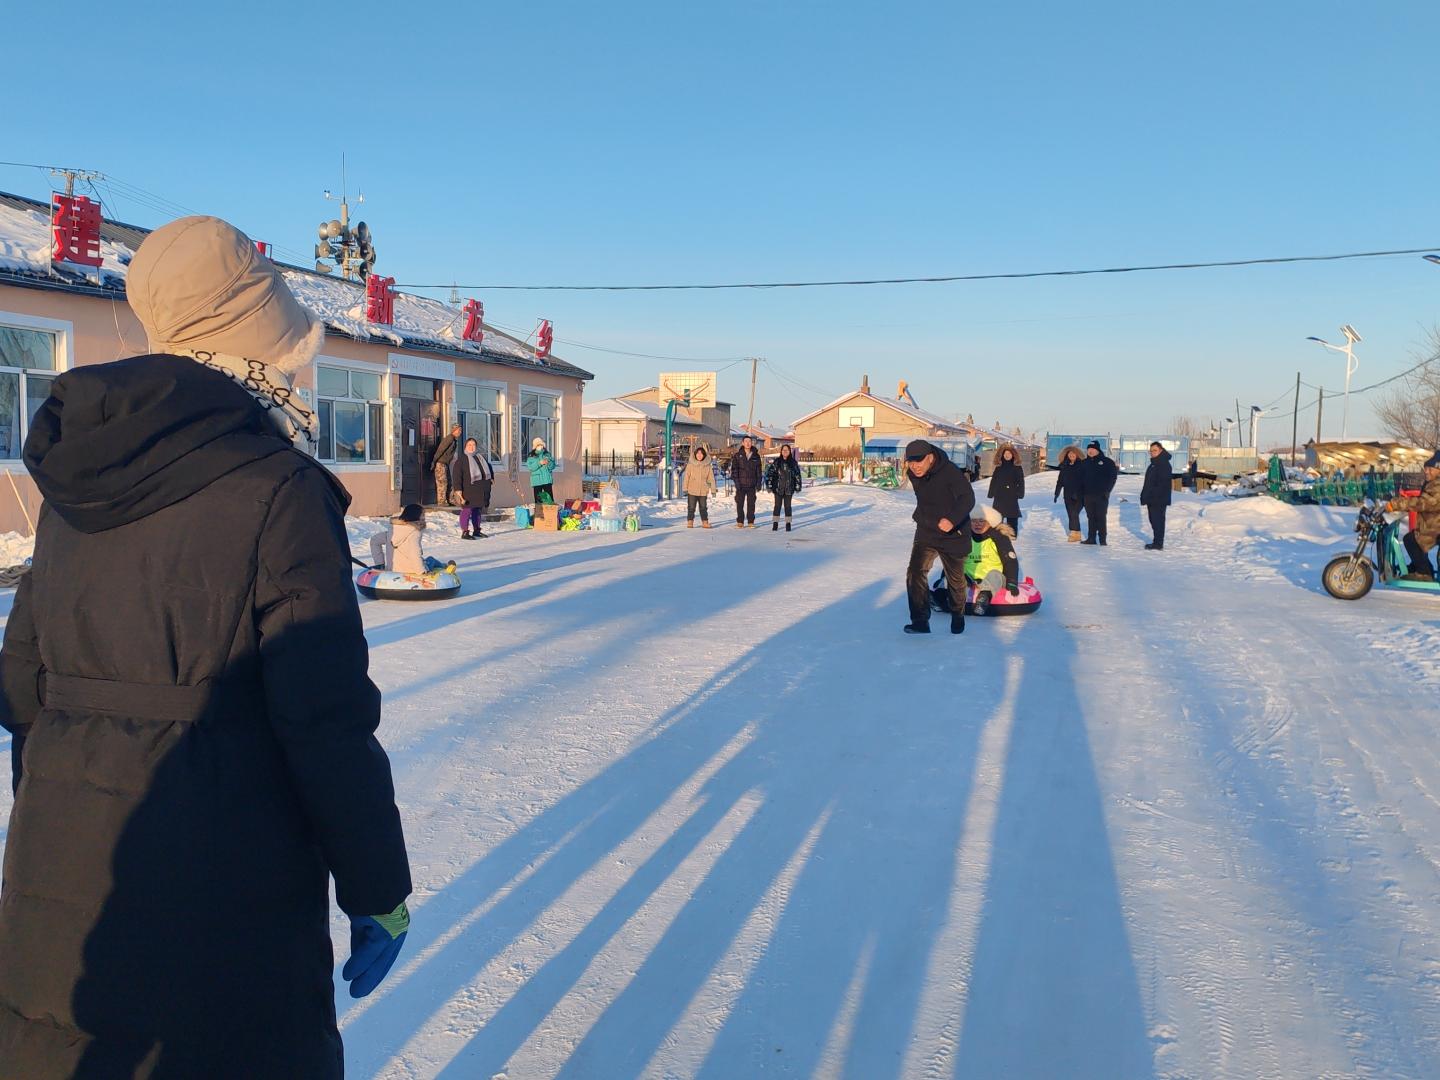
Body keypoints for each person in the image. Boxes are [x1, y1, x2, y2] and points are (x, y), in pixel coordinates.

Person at [0, 216, 410, 1077]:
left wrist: (57, 813)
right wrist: (377, 889)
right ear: (257, 342)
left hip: (61, 870)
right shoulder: (280, 488)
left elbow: (26, 684)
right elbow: (324, 721)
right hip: (224, 878)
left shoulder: (75, 482)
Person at [903, 439, 976, 635]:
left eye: (919, 461)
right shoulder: (914, 473)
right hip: (927, 531)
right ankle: (920, 621)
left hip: (953, 533)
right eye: (911, 462)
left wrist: (951, 520)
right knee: (915, 572)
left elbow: (968, 498)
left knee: (955, 579)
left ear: (930, 457)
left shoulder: (950, 472)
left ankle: (958, 615)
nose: (915, 467)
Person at [1387, 451, 1440, 580]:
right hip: (1433, 524)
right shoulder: (1433, 483)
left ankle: (1424, 572)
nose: (1426, 471)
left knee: (1411, 540)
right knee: (1413, 538)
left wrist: (1396, 504)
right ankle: (1421, 567)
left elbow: (1424, 502)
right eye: (1425, 468)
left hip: (1435, 527)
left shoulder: (1438, 485)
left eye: (1430, 469)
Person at [963, 505, 1020, 615]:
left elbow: (1010, 560)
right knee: (956, 576)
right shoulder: (965, 538)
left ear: (990, 522)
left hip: (992, 577)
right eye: (973, 521)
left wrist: (1012, 582)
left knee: (995, 575)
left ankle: (984, 598)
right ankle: (943, 597)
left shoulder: (999, 538)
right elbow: (954, 560)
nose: (977, 524)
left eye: (981, 521)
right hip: (969, 577)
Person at [451, 436, 494, 539]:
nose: (471, 447)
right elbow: (457, 476)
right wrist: (458, 490)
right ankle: (465, 532)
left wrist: (491, 477)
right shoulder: (462, 460)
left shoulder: (480, 457)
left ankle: (477, 530)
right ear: (466, 446)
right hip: (468, 490)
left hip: (480, 489)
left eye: (473, 445)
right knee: (467, 510)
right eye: (469, 445)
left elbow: (488, 468)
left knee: (477, 510)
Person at [1079, 440, 1119, 545]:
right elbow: (1080, 479)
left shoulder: (1107, 462)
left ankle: (1102, 539)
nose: (1090, 451)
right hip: (1087, 495)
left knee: (1101, 517)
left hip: (1101, 495)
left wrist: (1107, 491)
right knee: (1091, 517)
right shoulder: (1084, 463)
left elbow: (1113, 478)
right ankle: (1091, 538)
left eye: (1093, 449)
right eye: (1089, 449)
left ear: (1098, 450)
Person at [371, 503, 429, 570]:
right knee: (432, 560)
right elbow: (415, 553)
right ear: (415, 515)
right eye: (422, 515)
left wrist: (379, 564)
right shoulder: (414, 532)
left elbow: (374, 541)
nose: (424, 517)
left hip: (393, 568)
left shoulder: (392, 531)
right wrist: (421, 571)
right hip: (410, 570)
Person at [1140, 441, 1173, 550]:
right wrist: (1144, 495)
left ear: (1161, 450)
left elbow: (1162, 483)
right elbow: (1148, 482)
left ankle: (1158, 544)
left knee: (1158, 520)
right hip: (1152, 498)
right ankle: (1156, 541)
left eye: (1155, 450)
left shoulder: (1163, 464)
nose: (1152, 453)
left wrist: (1153, 495)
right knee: (1153, 520)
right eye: (1151, 451)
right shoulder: (1154, 464)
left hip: (1159, 499)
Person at [987, 443, 1025, 533]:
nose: (1007, 456)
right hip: (999, 496)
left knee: (1012, 516)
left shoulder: (1017, 468)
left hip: (1012, 495)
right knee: (997, 516)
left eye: (1009, 454)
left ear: (1013, 455)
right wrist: (991, 493)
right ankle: (998, 535)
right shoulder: (998, 468)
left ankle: (1012, 535)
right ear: (1002, 455)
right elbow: (994, 481)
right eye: (1005, 454)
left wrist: (1020, 493)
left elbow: (1021, 482)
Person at [765, 443, 803, 532]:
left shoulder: (793, 463)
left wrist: (798, 486)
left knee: (788, 507)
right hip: (778, 488)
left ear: (790, 452)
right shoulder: (777, 462)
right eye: (783, 450)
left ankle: (788, 523)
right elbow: (770, 474)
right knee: (777, 506)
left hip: (789, 488)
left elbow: (797, 475)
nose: (785, 452)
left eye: (787, 450)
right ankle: (775, 523)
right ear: (781, 452)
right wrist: (769, 485)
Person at [1052, 444, 1084, 541]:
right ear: (1067, 455)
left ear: (1077, 454)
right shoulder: (1064, 467)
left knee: (1074, 513)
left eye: (1073, 453)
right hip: (1068, 495)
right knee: (1071, 514)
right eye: (1070, 454)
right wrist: (1056, 493)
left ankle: (1075, 533)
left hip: (1080, 495)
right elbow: (1060, 481)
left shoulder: (1083, 465)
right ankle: (1074, 533)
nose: (1072, 455)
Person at [731, 435, 763, 528]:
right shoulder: (738, 456)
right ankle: (740, 521)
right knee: (739, 503)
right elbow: (734, 470)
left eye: (750, 441)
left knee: (751, 504)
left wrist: (759, 483)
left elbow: (759, 471)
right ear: (743, 443)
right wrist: (736, 482)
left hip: (752, 484)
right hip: (740, 484)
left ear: (752, 443)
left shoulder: (756, 456)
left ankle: (751, 521)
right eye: (746, 441)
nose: (748, 443)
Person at [430, 422, 462, 507]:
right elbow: (440, 450)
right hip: (440, 463)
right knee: (442, 482)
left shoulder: (454, 440)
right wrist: (434, 461)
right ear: (454, 430)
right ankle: (441, 501)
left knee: (449, 482)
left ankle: (450, 499)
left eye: (460, 430)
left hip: (446, 464)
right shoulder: (449, 439)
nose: (460, 432)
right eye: (458, 430)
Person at [684, 445, 716, 528]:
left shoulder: (708, 466)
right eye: (698, 453)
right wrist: (685, 488)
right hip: (692, 489)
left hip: (703, 490)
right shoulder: (690, 465)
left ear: (704, 455)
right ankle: (690, 521)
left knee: (703, 507)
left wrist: (713, 490)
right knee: (691, 507)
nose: (699, 455)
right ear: (695, 455)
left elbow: (711, 478)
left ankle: (705, 522)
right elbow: (686, 477)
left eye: (701, 454)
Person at [526, 436, 555, 505]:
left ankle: (550, 514)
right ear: (535, 446)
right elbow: (531, 467)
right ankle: (539, 514)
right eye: (538, 445)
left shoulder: (547, 454)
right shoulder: (531, 456)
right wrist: (539, 463)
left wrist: (549, 463)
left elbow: (553, 466)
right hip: (537, 481)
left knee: (549, 500)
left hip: (546, 480)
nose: (540, 446)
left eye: (541, 445)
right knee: (539, 501)